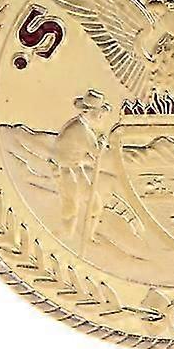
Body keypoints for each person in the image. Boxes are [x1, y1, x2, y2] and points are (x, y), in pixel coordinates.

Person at [50, 89, 113, 241]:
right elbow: (97, 151)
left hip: (74, 168)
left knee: (94, 204)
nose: (101, 116)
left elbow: (72, 150)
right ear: (89, 112)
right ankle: (66, 238)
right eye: (99, 113)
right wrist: (103, 139)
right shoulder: (81, 129)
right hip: (67, 171)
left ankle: (86, 237)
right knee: (71, 206)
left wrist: (84, 159)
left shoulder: (79, 125)